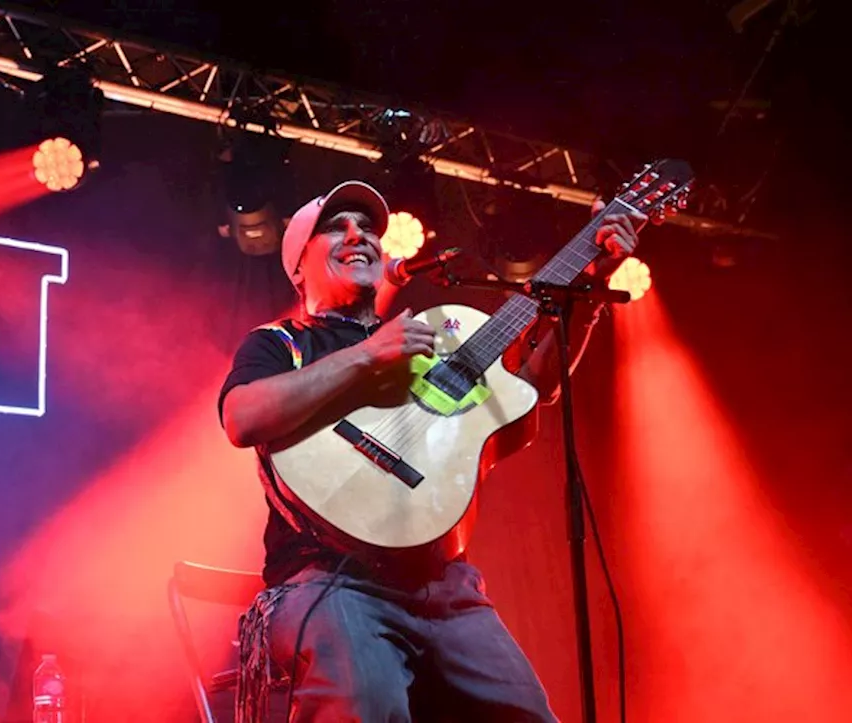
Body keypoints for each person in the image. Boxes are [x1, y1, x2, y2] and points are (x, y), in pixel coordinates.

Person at [218, 180, 643, 722]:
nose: (360, 236)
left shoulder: (439, 331)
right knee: (366, 701)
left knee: (530, 714)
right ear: (297, 265)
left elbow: (534, 391)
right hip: (328, 577)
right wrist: (367, 355)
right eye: (336, 227)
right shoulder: (281, 343)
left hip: (446, 586)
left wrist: (588, 291)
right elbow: (243, 417)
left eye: (369, 227)